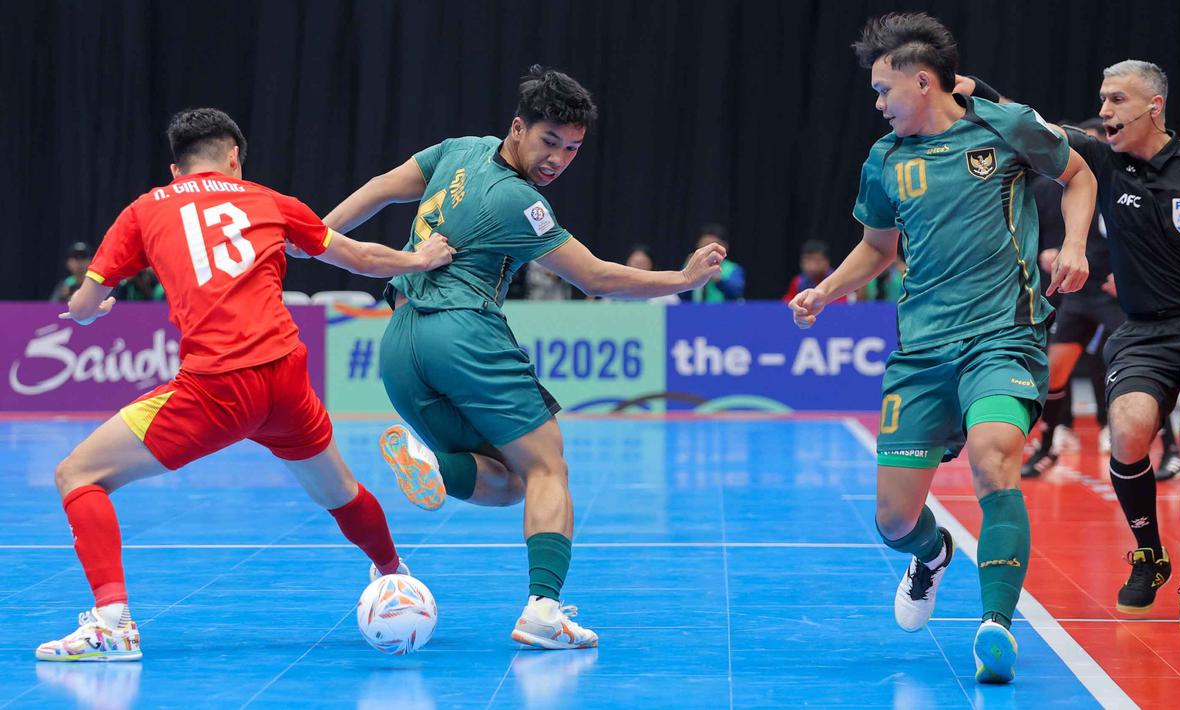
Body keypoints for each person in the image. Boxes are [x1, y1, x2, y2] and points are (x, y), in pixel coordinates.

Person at [324, 66, 725, 651]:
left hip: (400, 346)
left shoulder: (456, 151)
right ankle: (543, 610)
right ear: (518, 128)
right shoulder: (521, 203)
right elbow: (595, 278)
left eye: (572, 149)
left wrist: (317, 233)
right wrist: (681, 279)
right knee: (548, 467)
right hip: (463, 332)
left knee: (511, 482)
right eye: (549, 142)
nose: (558, 159)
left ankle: (438, 469)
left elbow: (383, 185)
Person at [35, 108, 455, 662]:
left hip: (215, 386)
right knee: (341, 493)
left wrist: (91, 310)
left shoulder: (145, 210)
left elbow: (83, 304)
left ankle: (112, 625)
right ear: (234, 157)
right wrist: (420, 259)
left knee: (78, 474)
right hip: (284, 381)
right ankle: (396, 579)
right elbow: (357, 258)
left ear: (175, 165)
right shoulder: (268, 200)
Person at [789, 13, 1095, 683]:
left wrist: (1072, 245)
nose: (876, 104)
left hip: (1001, 335)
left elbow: (1078, 175)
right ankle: (931, 556)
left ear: (922, 81)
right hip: (921, 351)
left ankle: (995, 626)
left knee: (993, 458)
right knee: (893, 520)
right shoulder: (884, 159)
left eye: (881, 90)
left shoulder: (1004, 125)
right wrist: (826, 292)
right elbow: (876, 248)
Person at [1064, 61, 1180, 624]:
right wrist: (974, 94)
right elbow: (1036, 126)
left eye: (1116, 100)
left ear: (1153, 106)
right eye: (1102, 99)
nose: (1104, 111)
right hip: (1143, 330)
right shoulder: (1104, 165)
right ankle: (1149, 556)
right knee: (1131, 433)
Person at [1022, 119, 1180, 480]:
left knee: (1144, 372)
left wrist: (1130, 275)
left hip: (1118, 297)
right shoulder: (1066, 187)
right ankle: (1048, 448)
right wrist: (1051, 253)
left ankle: (1172, 448)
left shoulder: (1124, 185)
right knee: (1054, 371)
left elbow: (1153, 240)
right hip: (1079, 295)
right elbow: (1057, 236)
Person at [684, 224, 744, 302]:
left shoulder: (733, 268)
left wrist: (716, 278)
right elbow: (680, 296)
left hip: (722, 312)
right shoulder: (690, 266)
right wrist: (687, 274)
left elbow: (736, 293)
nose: (707, 251)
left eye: (711, 247)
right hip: (694, 311)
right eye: (704, 246)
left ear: (724, 247)